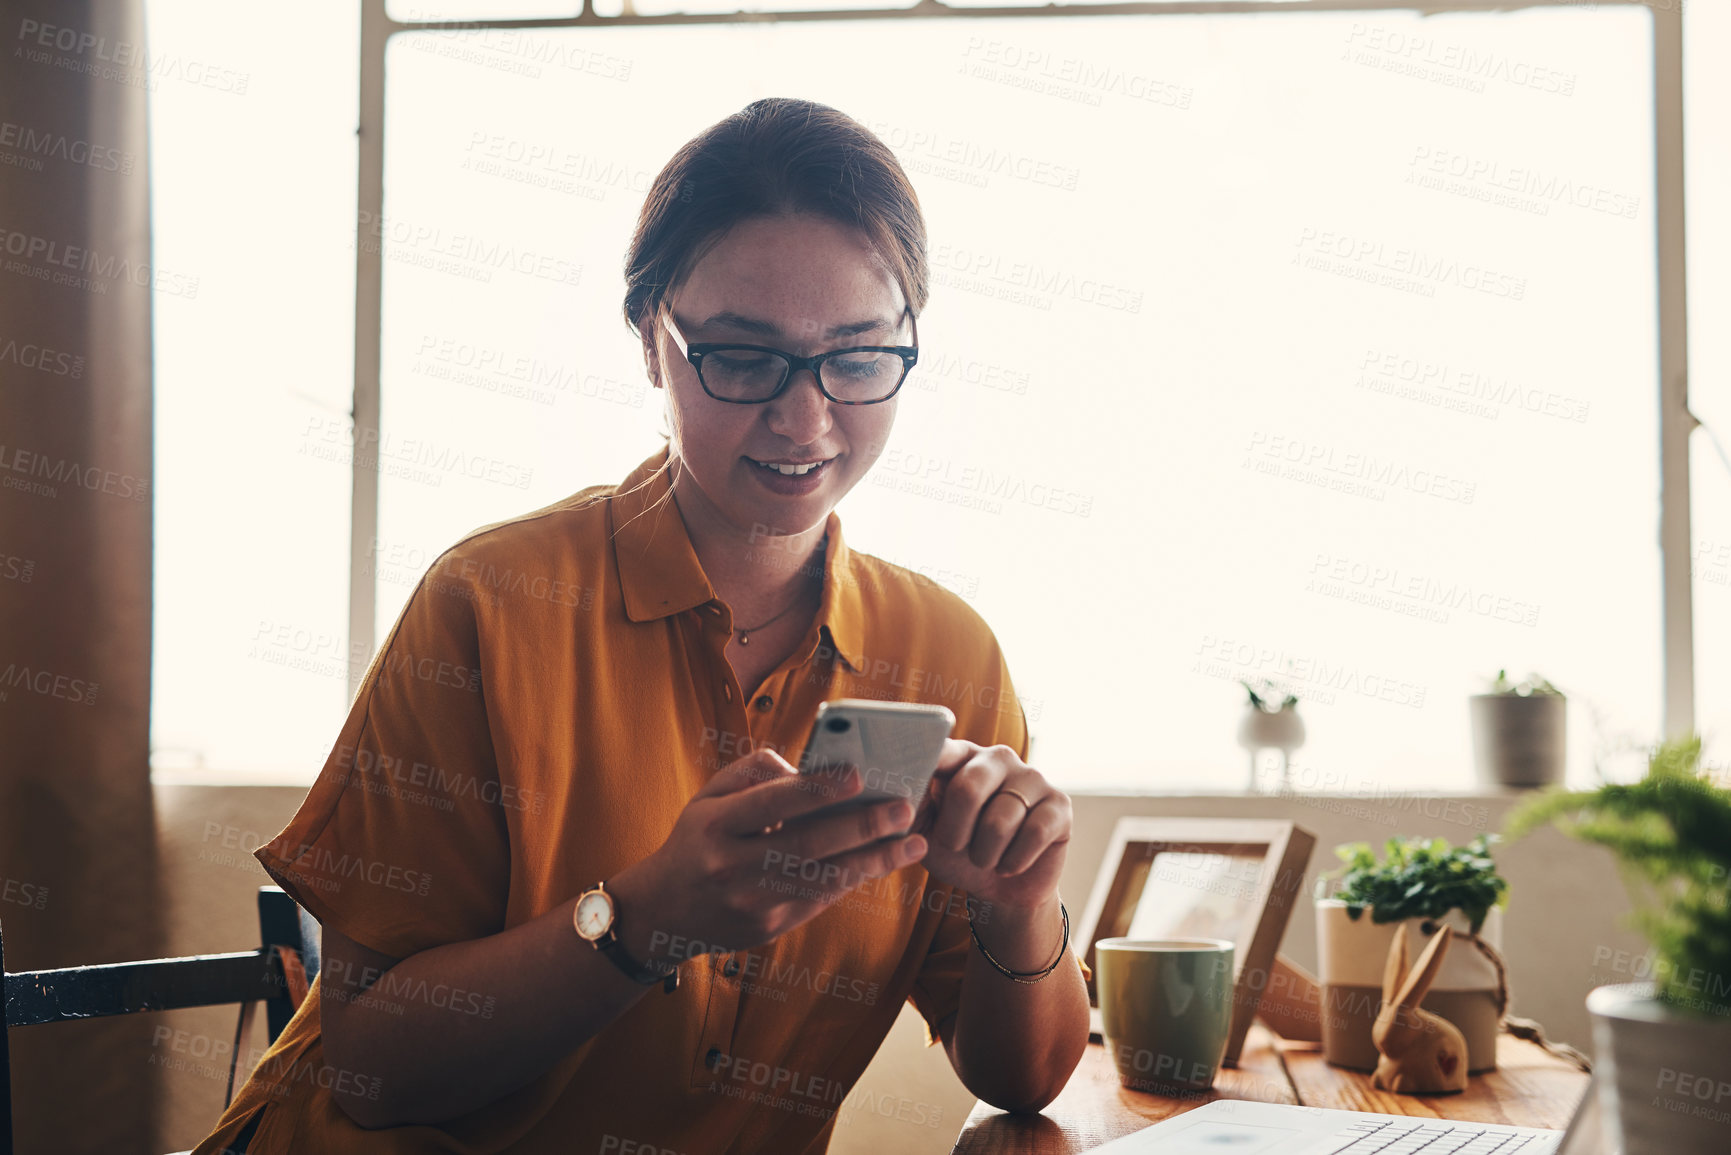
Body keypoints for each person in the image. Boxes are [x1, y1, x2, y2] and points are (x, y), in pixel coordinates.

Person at [192, 96, 1089, 1155]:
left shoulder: (946, 654)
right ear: (651, 342)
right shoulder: (491, 604)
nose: (805, 420)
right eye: (743, 357)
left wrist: (1021, 907)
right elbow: (376, 1071)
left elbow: (1020, 1080)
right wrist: (646, 922)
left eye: (856, 357)